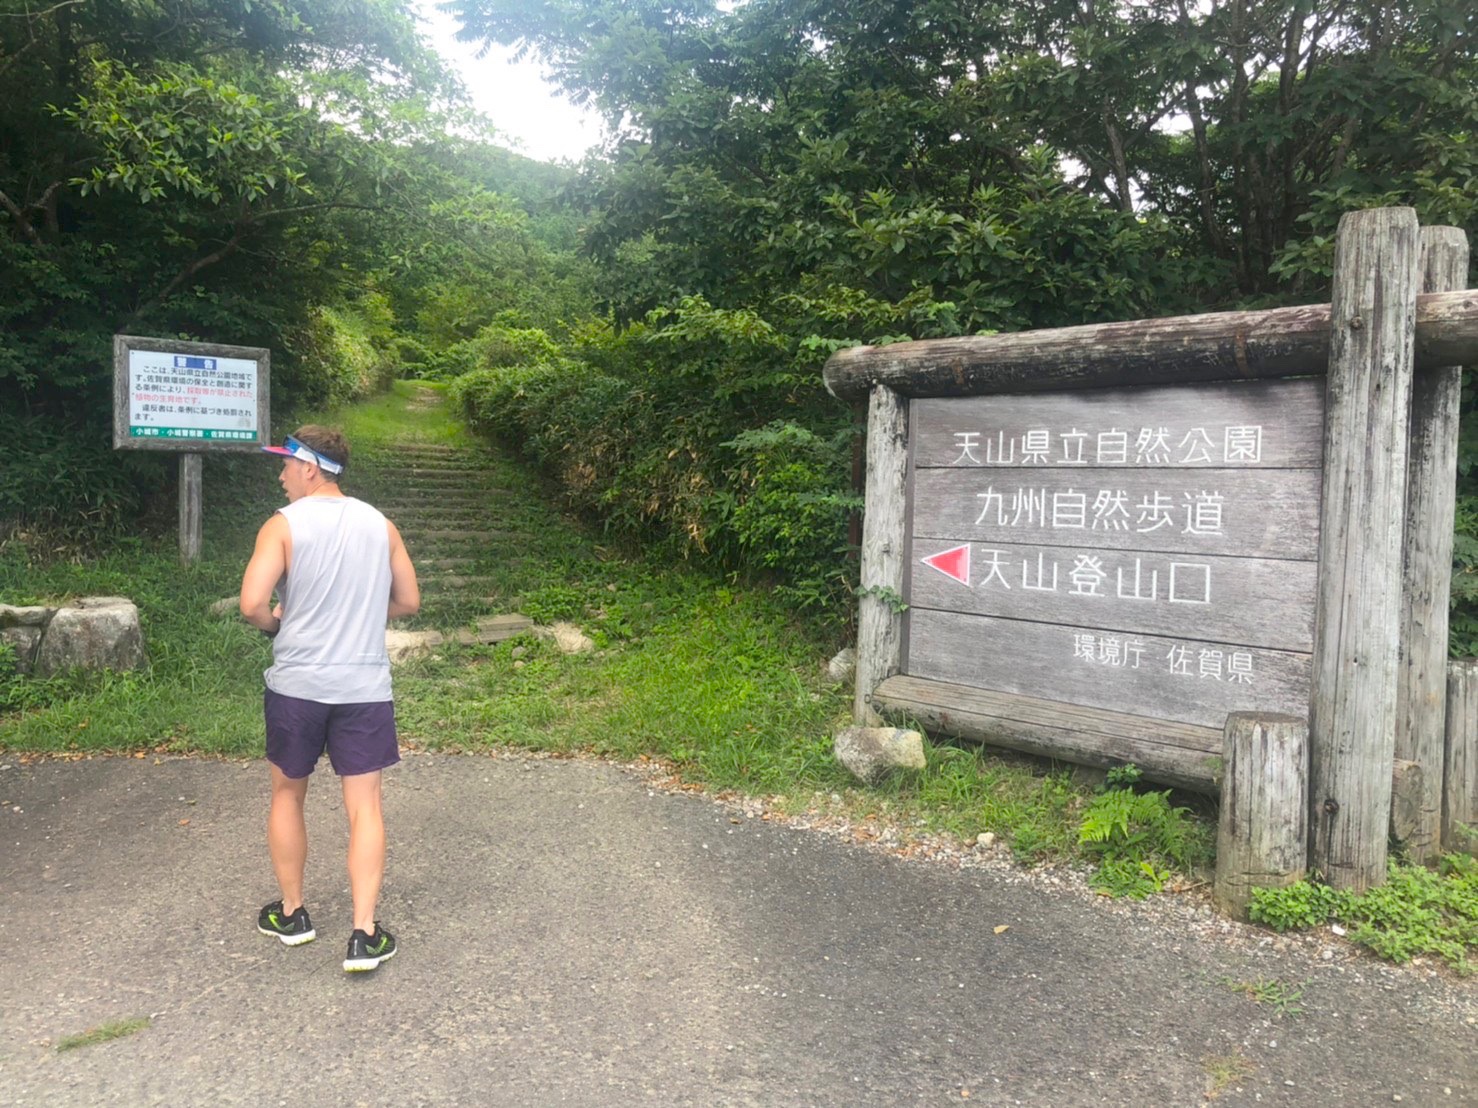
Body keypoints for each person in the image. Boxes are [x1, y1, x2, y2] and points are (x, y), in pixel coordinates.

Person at [239, 425, 419, 972]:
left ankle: (293, 915)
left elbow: (252, 605)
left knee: (287, 794)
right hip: (363, 688)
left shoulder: (283, 525)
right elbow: (408, 601)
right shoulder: (380, 525)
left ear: (310, 468)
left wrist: (278, 625)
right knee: (365, 807)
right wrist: (359, 615)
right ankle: (364, 934)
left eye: (286, 465)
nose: (282, 476)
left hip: (298, 686)